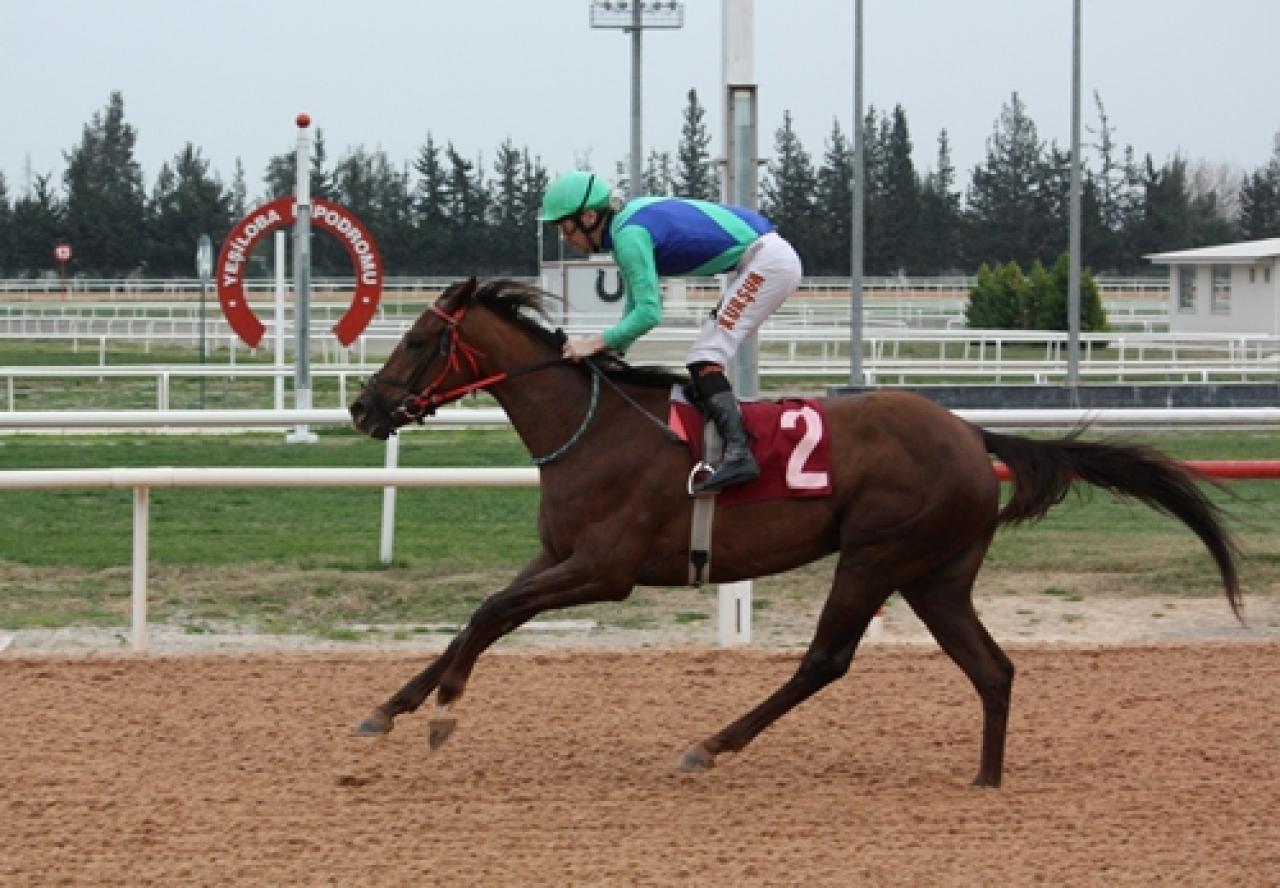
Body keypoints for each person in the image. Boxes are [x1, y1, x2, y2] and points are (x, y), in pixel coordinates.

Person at [539, 170, 802, 493]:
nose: (567, 239)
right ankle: (733, 447)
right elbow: (636, 305)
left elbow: (649, 314)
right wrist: (612, 349)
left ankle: (739, 452)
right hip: (764, 259)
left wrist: (594, 343)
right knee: (703, 354)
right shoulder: (625, 228)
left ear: (590, 217)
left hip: (768, 263)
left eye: (567, 228)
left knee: (705, 355)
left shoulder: (628, 236)